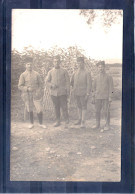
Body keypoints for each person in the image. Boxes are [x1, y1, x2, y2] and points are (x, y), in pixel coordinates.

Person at [18, 62, 47, 129]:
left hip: (36, 94)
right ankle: (31, 123)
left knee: (39, 108)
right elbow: (20, 86)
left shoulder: (37, 74)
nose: (29, 66)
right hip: (27, 95)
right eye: (28, 64)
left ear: (32, 65)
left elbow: (41, 84)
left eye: (31, 64)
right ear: (25, 65)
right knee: (29, 108)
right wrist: (27, 89)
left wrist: (38, 91)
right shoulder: (23, 75)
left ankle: (41, 123)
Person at [46, 55, 70, 127]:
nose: (56, 63)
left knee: (64, 107)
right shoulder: (50, 72)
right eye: (55, 61)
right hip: (54, 93)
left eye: (57, 61)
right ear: (53, 62)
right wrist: (51, 85)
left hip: (62, 93)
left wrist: (68, 92)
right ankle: (58, 121)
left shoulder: (64, 71)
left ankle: (66, 121)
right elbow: (47, 81)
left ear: (60, 62)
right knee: (56, 107)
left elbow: (68, 82)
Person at [92, 61, 114, 130]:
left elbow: (111, 88)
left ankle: (107, 125)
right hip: (98, 97)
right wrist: (93, 96)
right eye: (99, 67)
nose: (100, 68)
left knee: (106, 111)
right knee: (97, 111)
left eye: (102, 67)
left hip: (106, 97)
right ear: (97, 68)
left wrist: (110, 96)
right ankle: (97, 124)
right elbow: (93, 88)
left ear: (104, 67)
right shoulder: (95, 78)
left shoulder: (109, 77)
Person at [71, 57, 92, 128]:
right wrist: (73, 89)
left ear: (83, 63)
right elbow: (72, 82)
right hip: (76, 92)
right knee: (78, 106)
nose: (79, 64)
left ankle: (83, 121)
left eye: (81, 63)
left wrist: (88, 93)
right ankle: (79, 119)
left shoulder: (87, 72)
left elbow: (89, 84)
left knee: (84, 106)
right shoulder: (75, 72)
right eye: (78, 63)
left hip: (84, 93)